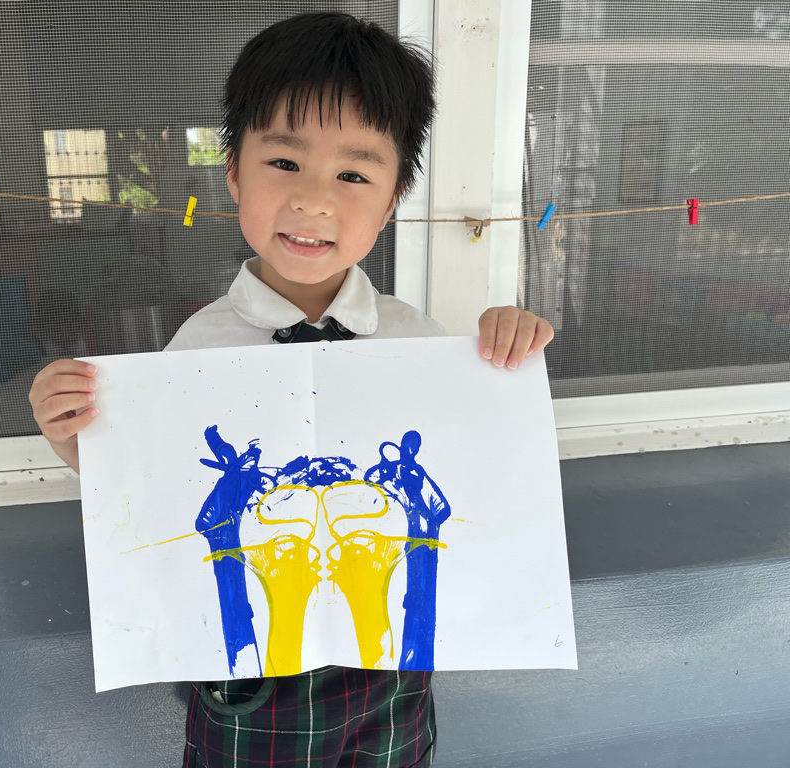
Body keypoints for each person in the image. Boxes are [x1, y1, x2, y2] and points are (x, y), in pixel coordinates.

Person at [29, 12, 554, 767]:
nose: (313, 201)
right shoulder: (197, 349)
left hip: (392, 675)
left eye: (353, 175)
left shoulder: (423, 343)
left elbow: (479, 474)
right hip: (251, 679)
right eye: (284, 162)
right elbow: (153, 492)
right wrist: (73, 437)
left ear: (394, 197)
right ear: (234, 172)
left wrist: (508, 350)